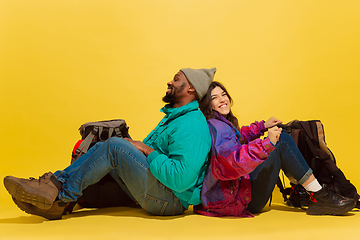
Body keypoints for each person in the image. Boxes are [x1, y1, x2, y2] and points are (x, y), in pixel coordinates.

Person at [3, 67, 216, 220]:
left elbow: (180, 179)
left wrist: (144, 148)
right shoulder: (176, 117)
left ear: (191, 89)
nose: (170, 82)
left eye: (176, 79)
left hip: (169, 201)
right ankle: (60, 200)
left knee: (115, 146)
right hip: (160, 189)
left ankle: (56, 191)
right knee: (105, 142)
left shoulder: (192, 125)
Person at [195, 81, 356, 217]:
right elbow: (232, 162)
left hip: (234, 194)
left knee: (280, 137)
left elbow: (237, 138)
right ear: (208, 104)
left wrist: (262, 126)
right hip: (238, 201)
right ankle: (320, 196)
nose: (222, 100)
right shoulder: (219, 128)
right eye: (214, 98)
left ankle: (304, 192)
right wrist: (267, 144)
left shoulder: (219, 123)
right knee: (282, 141)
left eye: (223, 94)